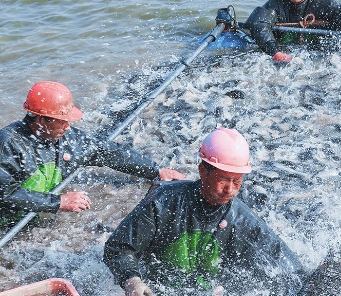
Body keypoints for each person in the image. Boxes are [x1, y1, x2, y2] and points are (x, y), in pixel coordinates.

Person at [103, 127, 304, 295]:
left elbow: (288, 268)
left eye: (237, 181)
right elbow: (118, 248)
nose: (230, 189)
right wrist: (131, 281)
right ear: (202, 171)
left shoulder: (242, 220)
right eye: (223, 179)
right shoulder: (164, 202)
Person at [0, 81, 186, 220]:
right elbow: (4, 195)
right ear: (41, 120)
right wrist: (59, 202)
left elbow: (109, 152)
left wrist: (156, 170)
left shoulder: (67, 139)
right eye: (62, 120)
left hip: (33, 216)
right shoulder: (9, 144)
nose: (68, 127)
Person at [244, 0, 341, 63]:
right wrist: (275, 53)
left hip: (322, 52)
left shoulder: (323, 3)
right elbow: (257, 24)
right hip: (285, 52)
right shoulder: (275, 4)